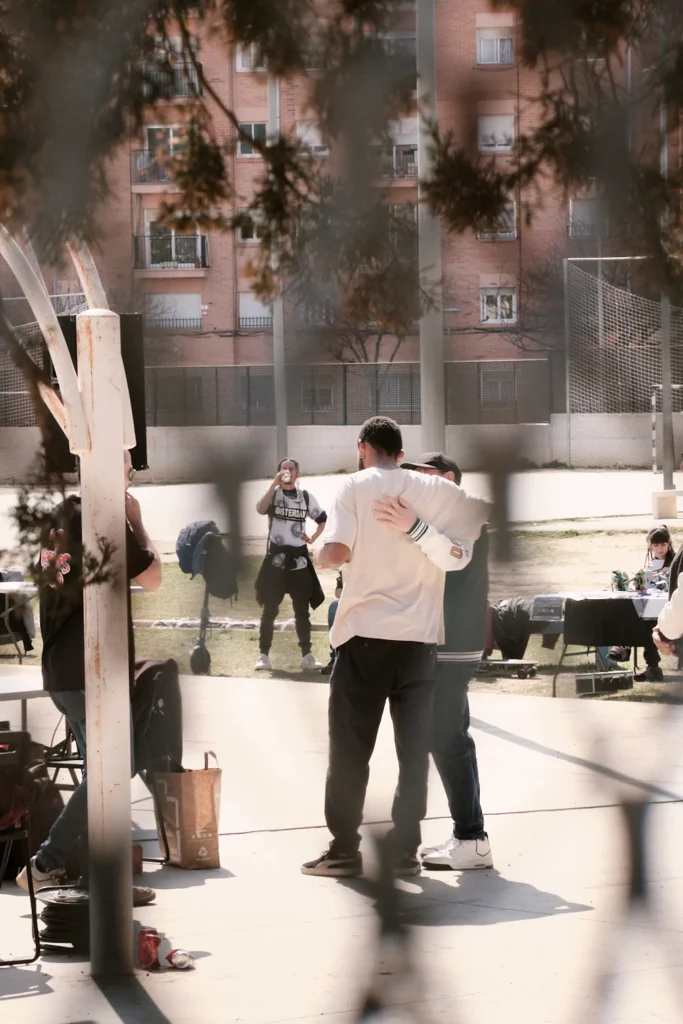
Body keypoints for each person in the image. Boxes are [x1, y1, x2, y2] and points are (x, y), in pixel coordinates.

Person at [301, 417, 489, 878]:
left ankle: (344, 849)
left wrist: (316, 552)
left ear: (362, 446)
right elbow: (481, 517)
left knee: (350, 750)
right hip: (420, 642)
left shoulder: (354, 486)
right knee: (412, 754)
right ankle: (406, 849)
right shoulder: (435, 489)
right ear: (402, 453)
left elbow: (338, 552)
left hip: (364, 636)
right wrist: (424, 526)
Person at [17, 450, 162, 892]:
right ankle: (47, 862)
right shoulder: (105, 516)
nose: (130, 477)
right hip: (92, 669)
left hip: (62, 670)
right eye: (126, 467)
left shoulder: (59, 516)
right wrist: (138, 523)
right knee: (115, 769)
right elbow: (154, 577)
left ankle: (104, 881)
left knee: (106, 777)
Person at [376, 452, 493, 870]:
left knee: (449, 740)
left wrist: (413, 526)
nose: (418, 488)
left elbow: (450, 559)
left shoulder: (462, 515)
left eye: (425, 478)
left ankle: (471, 837)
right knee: (444, 738)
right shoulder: (444, 517)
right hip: (440, 641)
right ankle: (468, 835)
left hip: (453, 643)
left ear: (447, 479)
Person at [254, 458, 327, 671]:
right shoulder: (274, 495)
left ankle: (307, 656)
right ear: (278, 473)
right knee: (270, 610)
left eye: (291, 469)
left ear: (297, 474)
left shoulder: (305, 497)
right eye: (283, 468)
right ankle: (263, 655)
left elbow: (323, 519)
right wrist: (273, 484)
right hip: (276, 561)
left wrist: (312, 537)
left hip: (299, 562)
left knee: (301, 611)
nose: (287, 471)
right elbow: (260, 509)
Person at [610, 525, 675, 682]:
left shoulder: (676, 563)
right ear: (650, 545)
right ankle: (650, 665)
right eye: (656, 545)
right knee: (637, 614)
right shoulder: (649, 565)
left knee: (649, 621)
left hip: (673, 608)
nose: (660, 548)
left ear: (669, 544)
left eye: (663, 544)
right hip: (653, 607)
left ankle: (627, 647)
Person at [320, 572, 343, 676]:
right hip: (353, 601)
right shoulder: (349, 564)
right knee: (334, 607)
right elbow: (338, 592)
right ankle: (335, 658)